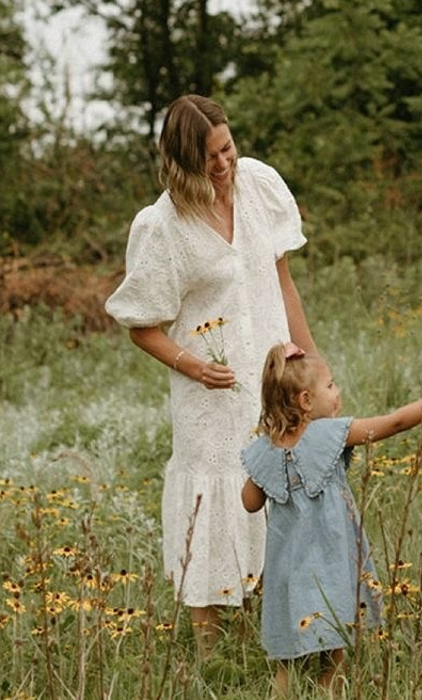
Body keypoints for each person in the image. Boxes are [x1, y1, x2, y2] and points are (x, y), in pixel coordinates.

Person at [105, 94, 317, 655]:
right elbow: (142, 325)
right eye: (208, 158)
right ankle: (211, 654)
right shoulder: (163, 226)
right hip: (212, 395)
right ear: (180, 162)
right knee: (216, 493)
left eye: (226, 148)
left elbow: (283, 284)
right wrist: (195, 366)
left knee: (280, 489)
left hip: (273, 376)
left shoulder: (260, 186)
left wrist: (310, 366)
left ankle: (277, 633)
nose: (222, 165)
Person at [241, 343, 422, 693]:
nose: (337, 392)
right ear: (305, 400)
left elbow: (250, 502)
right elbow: (393, 423)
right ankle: (328, 687)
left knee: (287, 650)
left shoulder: (266, 449)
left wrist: (270, 468)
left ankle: (283, 690)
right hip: (332, 554)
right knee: (338, 623)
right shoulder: (329, 434)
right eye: (330, 385)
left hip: (288, 563)